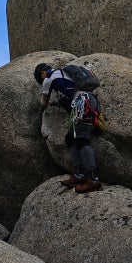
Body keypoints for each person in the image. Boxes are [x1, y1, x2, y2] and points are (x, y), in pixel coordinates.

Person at [34, 62, 103, 193]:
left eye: (40, 78)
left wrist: (44, 104)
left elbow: (43, 101)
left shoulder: (49, 78)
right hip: (87, 102)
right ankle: (79, 174)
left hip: (83, 104)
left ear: (43, 73)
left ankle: (93, 180)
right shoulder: (63, 73)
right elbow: (69, 93)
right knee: (70, 139)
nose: (42, 80)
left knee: (82, 140)